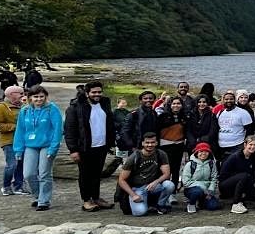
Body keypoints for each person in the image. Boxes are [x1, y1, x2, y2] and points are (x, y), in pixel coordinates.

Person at [63, 81, 116, 212]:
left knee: (97, 174)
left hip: (101, 146)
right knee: (85, 174)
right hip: (84, 147)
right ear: (87, 93)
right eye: (94, 92)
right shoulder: (75, 107)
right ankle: (86, 200)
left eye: (99, 92)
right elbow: (70, 130)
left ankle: (96, 198)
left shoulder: (105, 104)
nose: (97, 94)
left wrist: (111, 141)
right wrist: (73, 150)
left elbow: (109, 124)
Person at [13, 85, 64, 211]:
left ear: (46, 96)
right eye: (35, 97)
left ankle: (44, 201)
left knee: (44, 173)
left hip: (47, 146)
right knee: (28, 174)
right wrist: (18, 149)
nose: (39, 99)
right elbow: (20, 131)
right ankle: (37, 196)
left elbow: (58, 129)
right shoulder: (25, 111)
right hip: (30, 145)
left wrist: (53, 148)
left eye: (41, 96)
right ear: (30, 97)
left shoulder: (52, 109)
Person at [117, 132, 175, 216]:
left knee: (169, 185)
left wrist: (156, 182)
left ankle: (160, 205)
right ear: (143, 143)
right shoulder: (134, 157)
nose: (150, 145)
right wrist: (133, 195)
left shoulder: (161, 154)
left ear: (156, 143)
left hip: (153, 186)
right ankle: (148, 203)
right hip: (137, 188)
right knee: (140, 212)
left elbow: (166, 174)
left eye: (152, 142)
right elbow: (121, 180)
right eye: (147, 142)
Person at [0, 85, 27, 196]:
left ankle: (18, 187)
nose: (23, 95)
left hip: (23, 141)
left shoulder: (25, 106)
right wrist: (14, 127)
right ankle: (6, 187)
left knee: (21, 164)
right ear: (11, 95)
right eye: (20, 93)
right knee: (12, 164)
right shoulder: (1, 107)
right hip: (9, 141)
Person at [219, 136, 255, 213]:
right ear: (245, 145)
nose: (252, 147)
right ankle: (236, 204)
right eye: (250, 144)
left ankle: (240, 197)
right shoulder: (235, 157)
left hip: (243, 182)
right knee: (244, 176)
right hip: (226, 184)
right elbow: (223, 175)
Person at [180, 142, 220, 213]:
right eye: (201, 151)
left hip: (207, 191)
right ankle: (191, 204)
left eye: (206, 151)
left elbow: (214, 178)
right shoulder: (190, 164)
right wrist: (203, 187)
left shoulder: (211, 164)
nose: (204, 153)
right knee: (197, 191)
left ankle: (201, 202)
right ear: (196, 153)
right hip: (192, 189)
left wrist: (210, 190)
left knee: (213, 206)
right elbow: (186, 182)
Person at [215, 92, 253, 161]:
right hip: (221, 146)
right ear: (223, 100)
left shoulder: (243, 113)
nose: (229, 101)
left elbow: (249, 130)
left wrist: (245, 145)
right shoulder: (220, 113)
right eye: (226, 99)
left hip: (237, 145)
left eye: (231, 99)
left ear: (235, 100)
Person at [157, 95, 188, 174]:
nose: (176, 105)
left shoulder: (185, 117)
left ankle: (174, 183)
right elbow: (157, 131)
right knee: (165, 167)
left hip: (179, 146)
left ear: (181, 105)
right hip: (165, 146)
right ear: (170, 105)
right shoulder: (162, 117)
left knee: (176, 167)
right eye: (174, 103)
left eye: (178, 103)